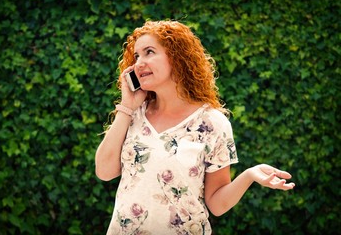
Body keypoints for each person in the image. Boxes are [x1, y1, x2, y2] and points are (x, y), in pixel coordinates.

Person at [95, 20, 295, 235]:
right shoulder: (133, 114)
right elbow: (105, 172)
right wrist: (126, 107)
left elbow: (217, 204)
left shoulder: (211, 123)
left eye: (149, 52)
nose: (139, 63)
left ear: (177, 57)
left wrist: (249, 175)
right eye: (136, 56)